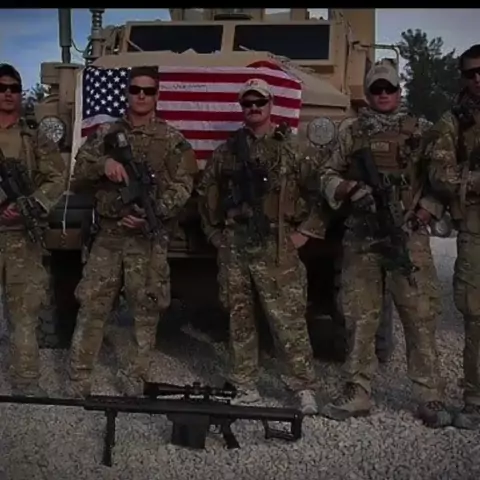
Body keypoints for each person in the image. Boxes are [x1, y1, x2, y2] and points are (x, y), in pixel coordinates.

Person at [319, 61, 451, 427]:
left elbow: (441, 181)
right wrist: (348, 188)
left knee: (419, 316)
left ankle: (429, 394)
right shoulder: (352, 132)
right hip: (362, 236)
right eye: (376, 89)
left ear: (398, 91)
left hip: (407, 234)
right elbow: (326, 173)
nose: (382, 95)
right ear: (367, 93)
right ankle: (358, 390)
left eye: (388, 88)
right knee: (359, 316)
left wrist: (425, 211)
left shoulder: (421, 131)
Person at [196, 78, 325, 415]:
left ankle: (302, 386)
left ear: (271, 106)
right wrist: (214, 235)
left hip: (277, 245)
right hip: (236, 245)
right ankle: (245, 384)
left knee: (288, 319)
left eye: (260, 102)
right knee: (239, 318)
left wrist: (305, 233)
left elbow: (320, 192)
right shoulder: (227, 152)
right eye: (247, 103)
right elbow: (206, 194)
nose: (253, 108)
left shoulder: (292, 149)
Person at [68, 66, 198, 397]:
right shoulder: (105, 134)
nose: (141, 96)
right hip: (109, 236)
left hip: (147, 238)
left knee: (146, 308)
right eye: (136, 89)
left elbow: (183, 186)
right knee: (93, 304)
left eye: (148, 91)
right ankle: (79, 376)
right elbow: (78, 174)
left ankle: (135, 375)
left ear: (157, 96)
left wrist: (155, 214)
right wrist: (104, 165)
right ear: (127, 93)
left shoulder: (172, 140)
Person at [0, 63, 66, 395]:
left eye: (13, 88)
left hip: (20, 236)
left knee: (25, 312)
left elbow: (57, 177)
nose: (7, 94)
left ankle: (26, 380)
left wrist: (31, 204)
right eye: (2, 88)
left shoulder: (34, 136)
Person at [427, 44, 480, 430]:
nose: (478, 78)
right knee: (476, 317)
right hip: (475, 232)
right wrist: (473, 180)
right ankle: (475, 399)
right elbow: (439, 174)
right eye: (471, 73)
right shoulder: (453, 122)